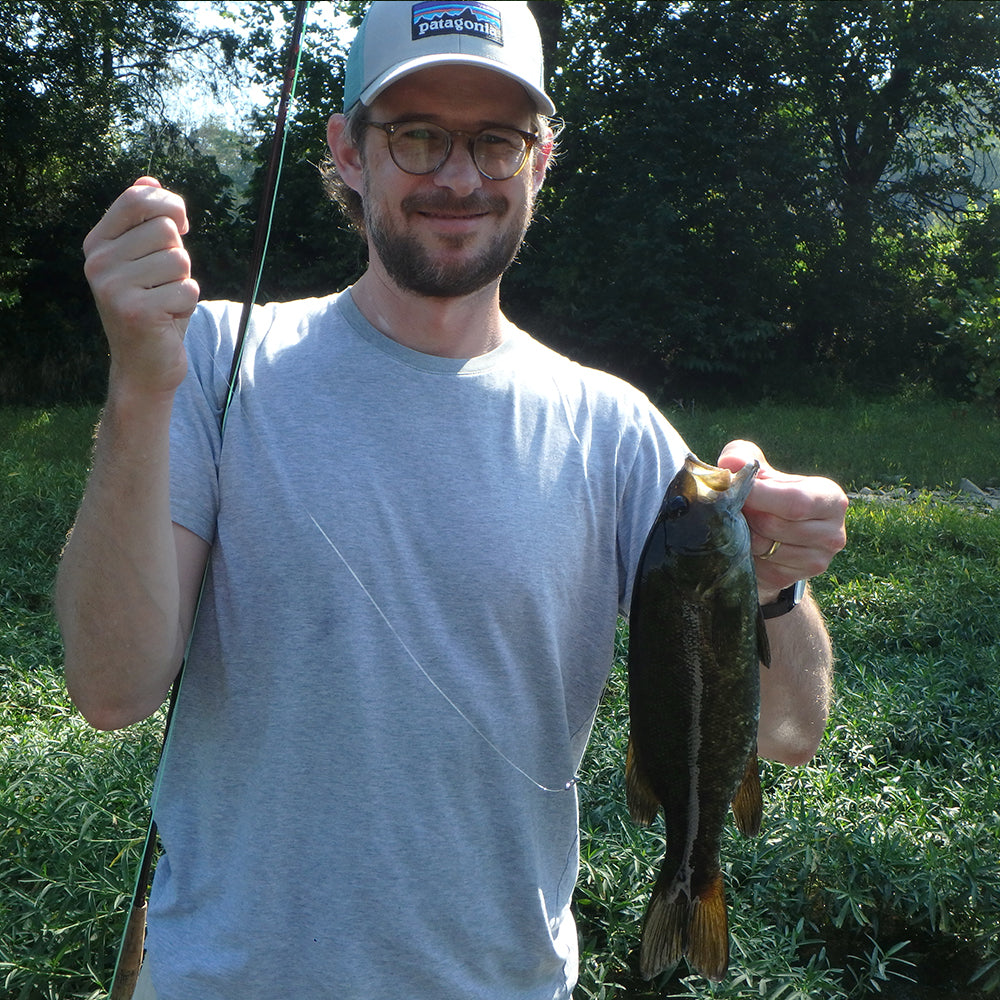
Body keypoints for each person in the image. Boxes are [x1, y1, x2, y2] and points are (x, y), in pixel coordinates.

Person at [55, 3, 848, 998]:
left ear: (541, 160)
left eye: (497, 141)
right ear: (348, 151)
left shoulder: (618, 433)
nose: (460, 178)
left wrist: (775, 584)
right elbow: (110, 688)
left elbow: (787, 733)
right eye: (418, 135)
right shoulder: (210, 361)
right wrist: (136, 386)